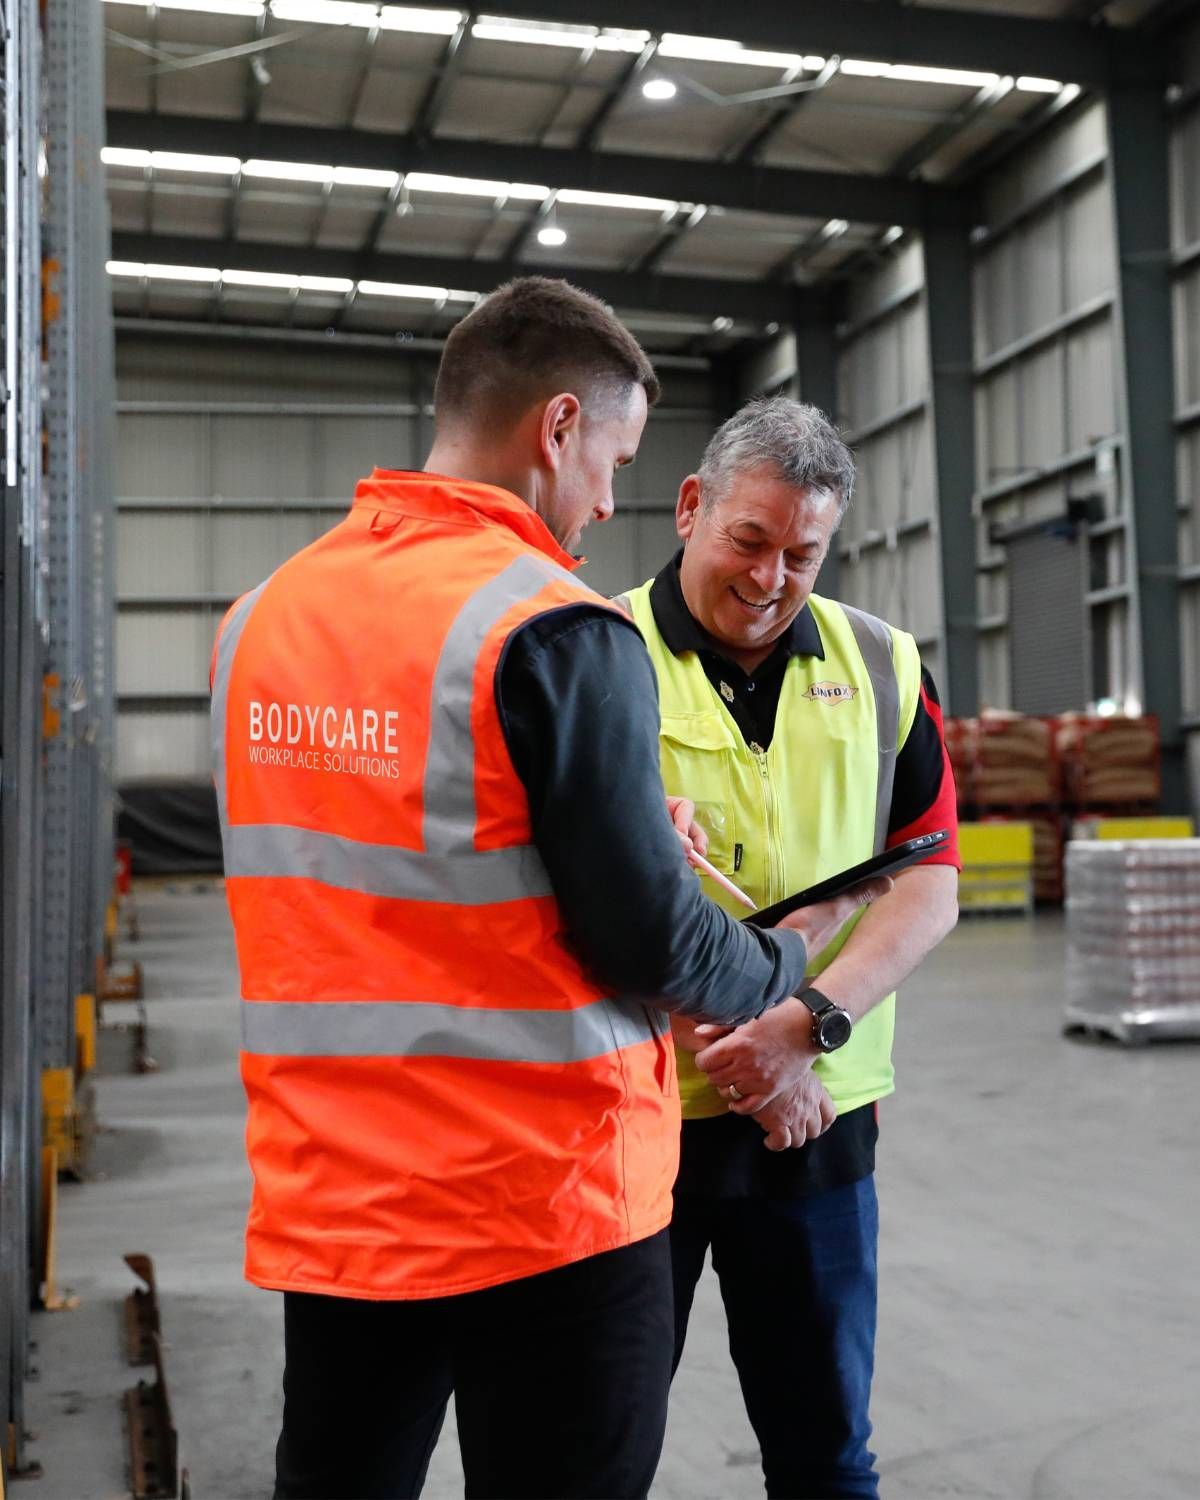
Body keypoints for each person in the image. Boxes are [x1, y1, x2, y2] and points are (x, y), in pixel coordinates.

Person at [210, 281, 883, 1500]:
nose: (608, 501)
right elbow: (650, 938)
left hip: (341, 1204)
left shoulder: (260, 621)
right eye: (615, 459)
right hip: (541, 1203)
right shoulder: (553, 625)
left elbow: (387, 860)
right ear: (557, 427)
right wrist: (785, 962)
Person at [616, 397, 960, 1500]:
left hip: (816, 1122)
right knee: (591, 1454)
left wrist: (803, 1033)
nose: (771, 579)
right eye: (749, 541)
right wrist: (738, 1047)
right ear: (689, 509)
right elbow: (563, 896)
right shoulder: (594, 654)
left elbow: (928, 880)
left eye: (802, 555)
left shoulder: (883, 664)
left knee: (824, 1452)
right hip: (632, 1124)